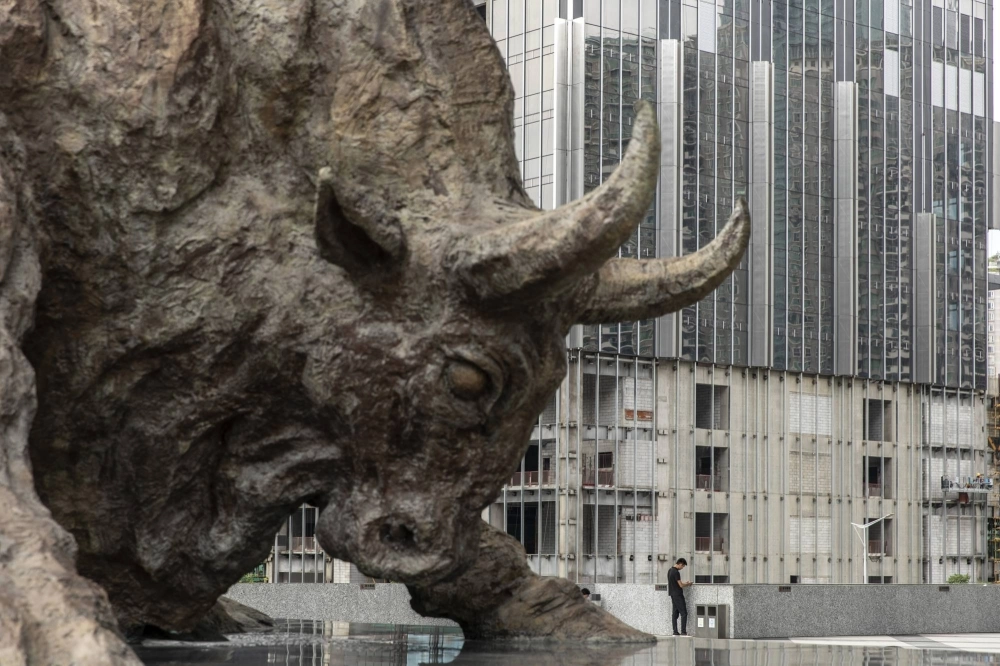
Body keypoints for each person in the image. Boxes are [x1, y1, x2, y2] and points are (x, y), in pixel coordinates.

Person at [668, 558, 692, 636]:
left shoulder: (670, 570)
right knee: (684, 613)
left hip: (672, 594)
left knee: (675, 614)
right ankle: (683, 632)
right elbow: (680, 585)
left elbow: (676, 583)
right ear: (680, 564)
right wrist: (688, 584)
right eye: (683, 566)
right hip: (678, 595)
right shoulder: (676, 572)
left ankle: (675, 631)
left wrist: (685, 583)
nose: (682, 568)